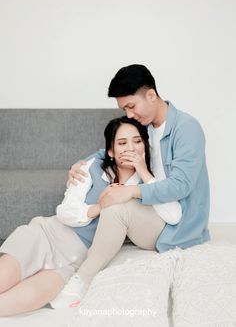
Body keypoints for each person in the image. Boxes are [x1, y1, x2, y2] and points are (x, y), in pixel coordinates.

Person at [0, 116, 181, 316]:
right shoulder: (91, 167)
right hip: (48, 236)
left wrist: (144, 172)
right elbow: (64, 211)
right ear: (111, 151)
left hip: (78, 259)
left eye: (137, 141)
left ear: (145, 146)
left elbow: (173, 214)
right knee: (4, 276)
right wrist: (99, 207)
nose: (131, 148)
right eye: (122, 143)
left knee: (34, 296)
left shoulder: (150, 180)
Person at [65, 64, 210, 298]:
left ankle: (83, 279)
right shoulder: (145, 126)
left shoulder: (186, 128)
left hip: (177, 225)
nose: (129, 115)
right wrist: (82, 163)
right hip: (155, 211)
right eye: (124, 109)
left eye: (131, 106)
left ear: (151, 95)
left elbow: (181, 185)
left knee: (117, 208)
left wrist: (132, 191)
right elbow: (116, 150)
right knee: (115, 203)